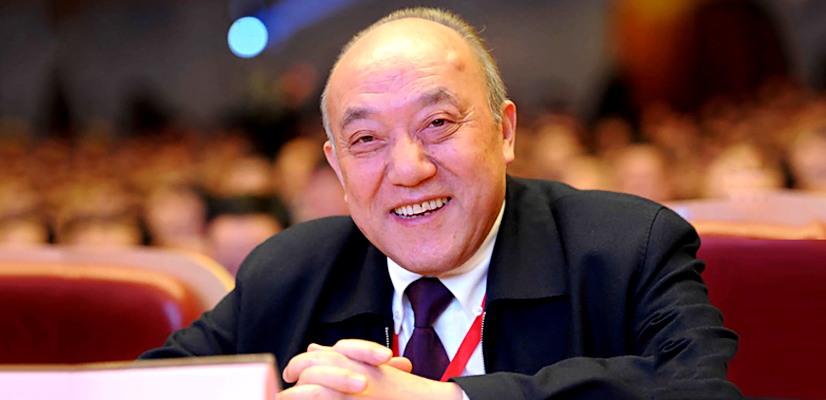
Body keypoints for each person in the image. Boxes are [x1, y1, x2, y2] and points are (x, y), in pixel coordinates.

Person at [140, 8, 740, 399]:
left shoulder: (626, 246)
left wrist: (449, 398)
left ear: (505, 132)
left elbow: (700, 389)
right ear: (337, 168)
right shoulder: (289, 271)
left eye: (438, 123)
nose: (409, 169)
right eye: (366, 140)